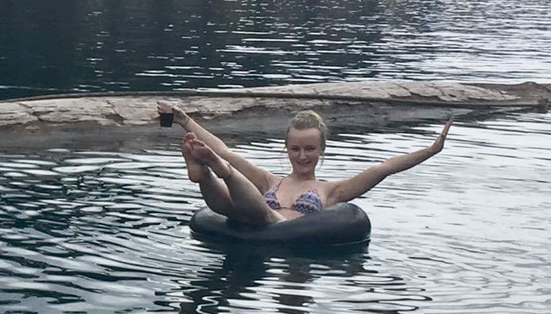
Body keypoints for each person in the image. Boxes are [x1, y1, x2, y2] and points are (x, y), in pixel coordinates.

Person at [158, 101, 451, 226]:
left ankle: (219, 171)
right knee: (227, 197)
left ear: (321, 150)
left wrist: (431, 150)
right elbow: (223, 147)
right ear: (286, 149)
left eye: (309, 148)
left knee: (267, 216)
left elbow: (382, 168)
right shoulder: (270, 181)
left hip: (276, 226)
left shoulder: (331, 191)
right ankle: (205, 172)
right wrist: (184, 120)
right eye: (295, 148)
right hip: (246, 216)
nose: (302, 155)